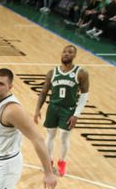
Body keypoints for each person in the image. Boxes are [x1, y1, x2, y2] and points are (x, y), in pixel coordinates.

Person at [33, 45, 89, 177]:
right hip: (53, 107)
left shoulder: (81, 73)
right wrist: (37, 110)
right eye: (64, 52)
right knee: (50, 135)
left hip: (68, 109)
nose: (66, 54)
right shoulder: (52, 73)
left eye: (70, 52)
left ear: (74, 56)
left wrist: (76, 115)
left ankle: (62, 162)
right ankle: (49, 161)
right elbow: (43, 92)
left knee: (64, 136)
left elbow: (84, 95)